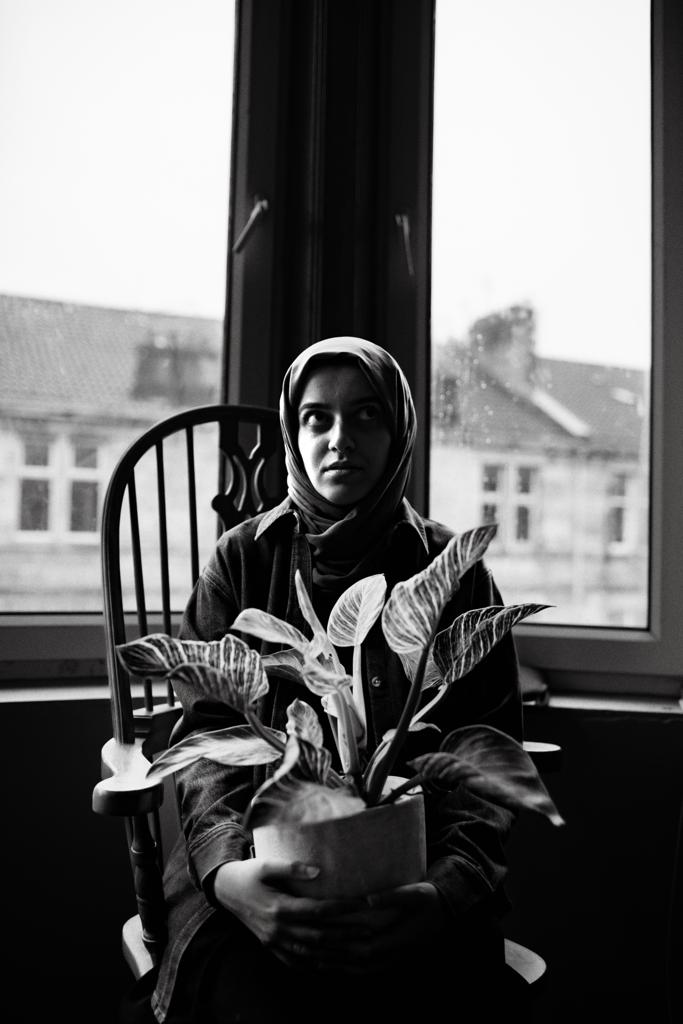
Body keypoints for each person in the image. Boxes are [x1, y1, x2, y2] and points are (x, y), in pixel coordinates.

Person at [120, 337, 524, 1024]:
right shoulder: (242, 560)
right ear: (293, 433)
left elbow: (486, 753)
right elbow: (210, 740)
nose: (340, 438)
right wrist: (230, 878)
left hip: (415, 877)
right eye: (317, 418)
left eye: (366, 414)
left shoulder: (451, 569)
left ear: (398, 430)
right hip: (256, 873)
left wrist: (442, 893)